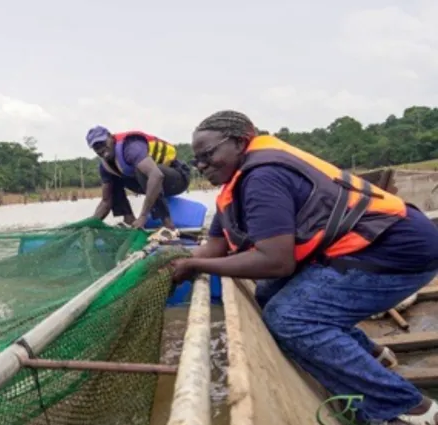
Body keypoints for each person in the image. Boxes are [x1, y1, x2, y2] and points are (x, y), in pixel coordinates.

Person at [169, 110, 438, 425]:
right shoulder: (236, 184)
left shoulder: (262, 178)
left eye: (209, 154)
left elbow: (276, 261)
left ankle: (408, 408)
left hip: (396, 250)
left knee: (290, 318)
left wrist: (195, 264)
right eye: (196, 158)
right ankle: (372, 356)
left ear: (241, 143)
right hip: (364, 246)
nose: (201, 165)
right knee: (269, 294)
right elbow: (216, 246)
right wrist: (175, 260)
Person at [86, 126, 192, 229]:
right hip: (152, 185)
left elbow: (157, 176)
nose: (101, 149)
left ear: (110, 137)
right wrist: (92, 223)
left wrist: (143, 216)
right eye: (96, 147)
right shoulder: (104, 167)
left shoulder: (131, 148)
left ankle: (167, 223)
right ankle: (129, 220)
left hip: (178, 178)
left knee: (142, 170)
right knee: (113, 179)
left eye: (102, 143)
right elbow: (106, 201)